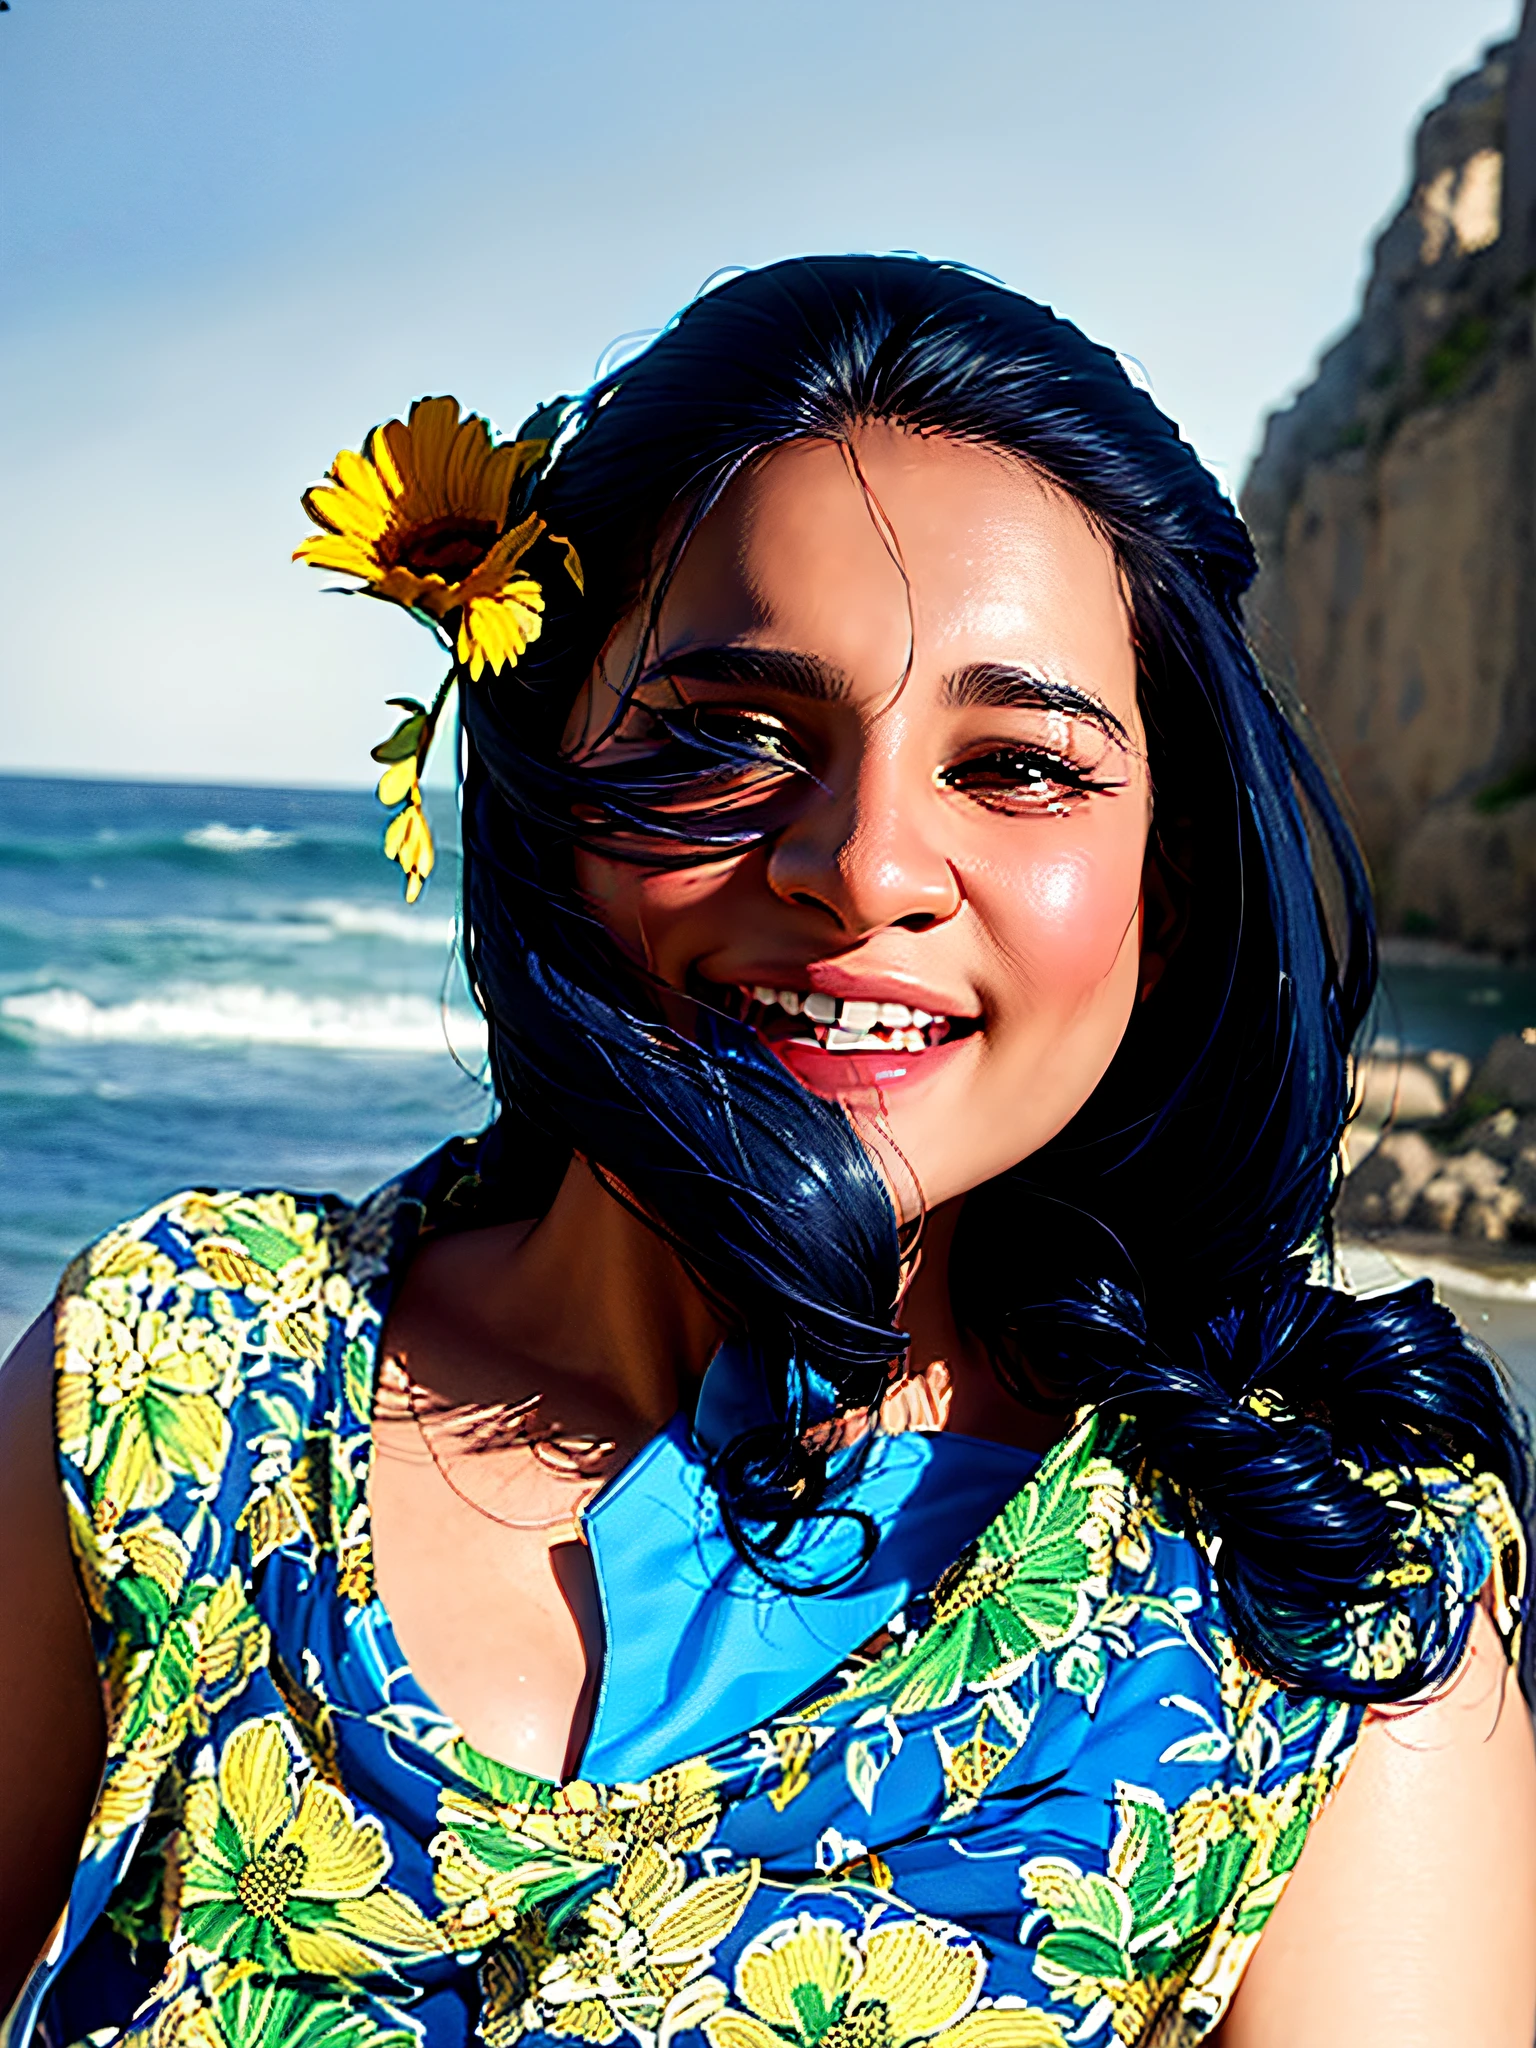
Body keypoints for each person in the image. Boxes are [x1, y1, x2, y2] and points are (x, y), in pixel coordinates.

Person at [1, 255, 1532, 2048]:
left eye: (1019, 765)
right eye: (734, 735)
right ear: (539, 769)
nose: (866, 865)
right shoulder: (180, 1391)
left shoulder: (1329, 1625)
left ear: (1166, 891)